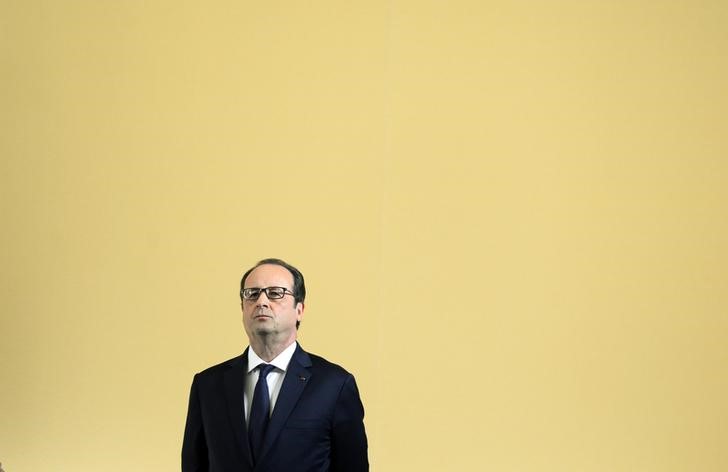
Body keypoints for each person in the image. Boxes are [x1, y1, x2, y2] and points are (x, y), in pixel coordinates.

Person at [182, 258, 369, 472]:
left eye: (275, 293)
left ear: (300, 309)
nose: (261, 301)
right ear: (242, 308)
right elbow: (194, 464)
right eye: (252, 294)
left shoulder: (334, 385)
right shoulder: (208, 385)